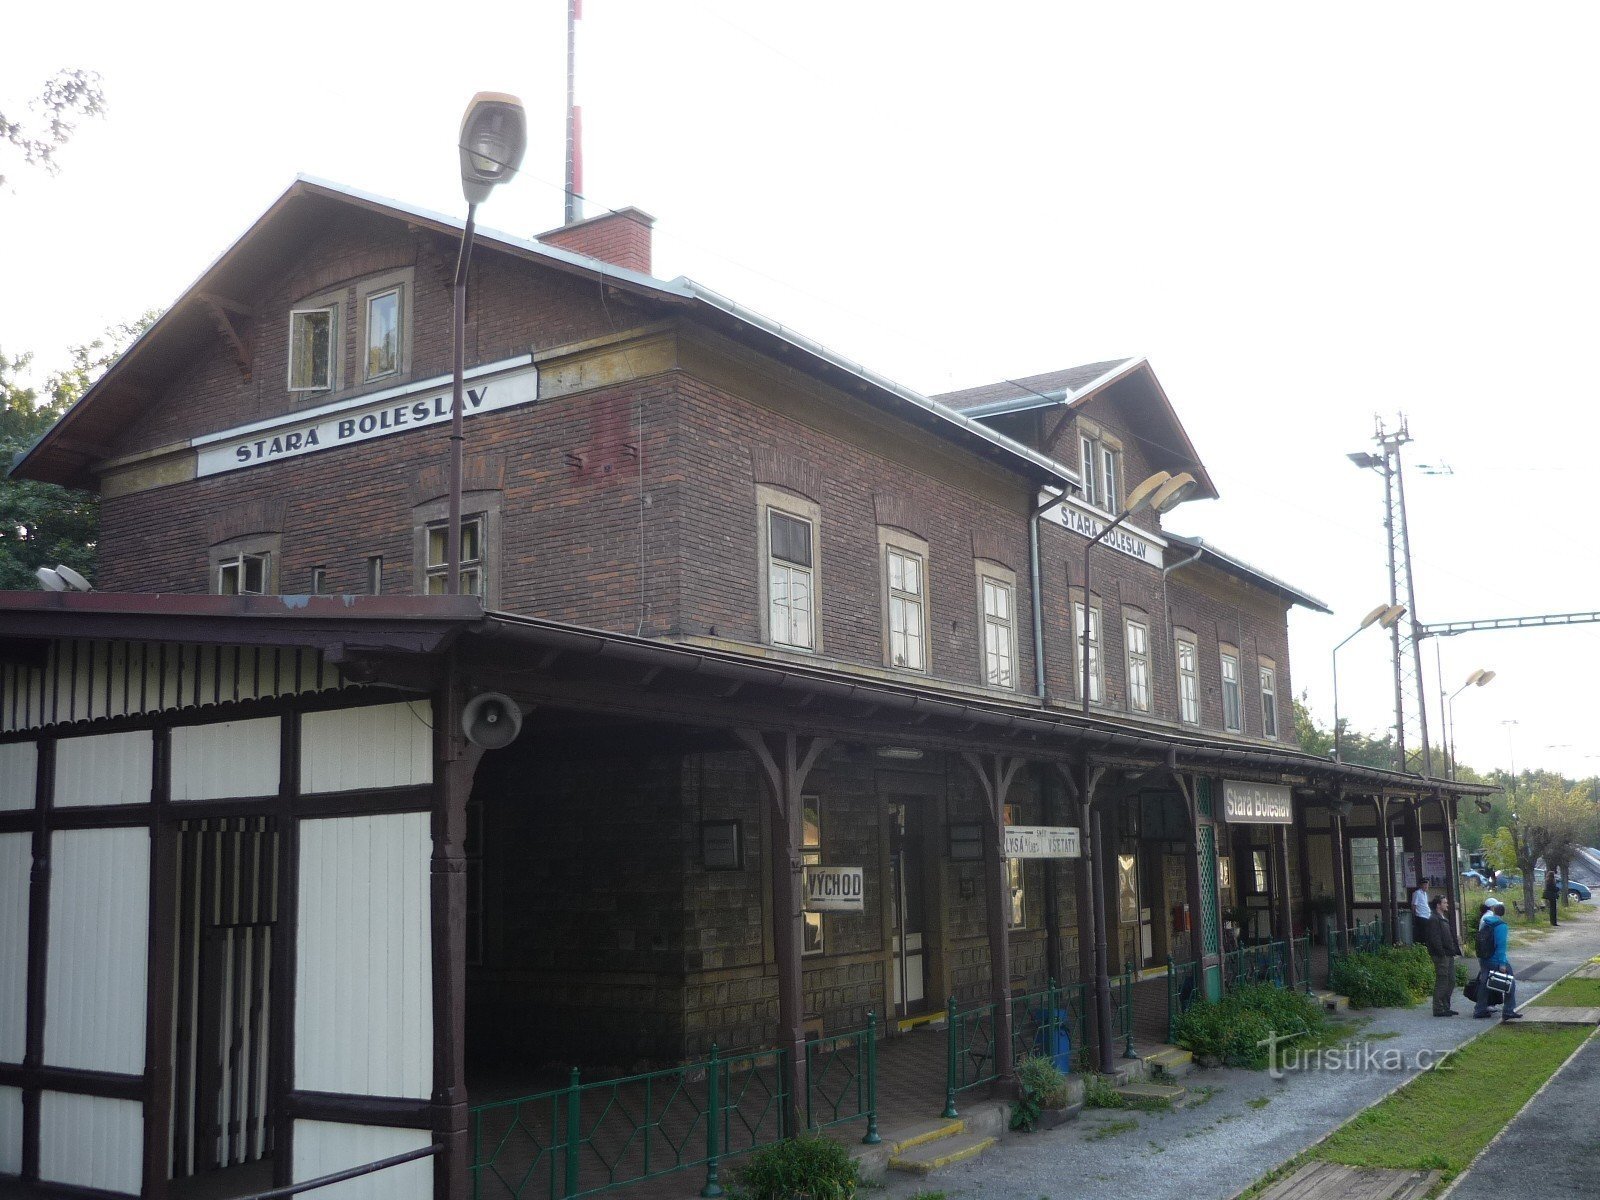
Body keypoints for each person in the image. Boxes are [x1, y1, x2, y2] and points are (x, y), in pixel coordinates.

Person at [1473, 896, 1521, 1021]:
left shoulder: (1487, 921)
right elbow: (1501, 946)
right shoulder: (1501, 926)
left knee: (1484, 983)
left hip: (1484, 957)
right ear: (1503, 913)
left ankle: (1479, 1009)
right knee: (1510, 982)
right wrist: (1502, 963)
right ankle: (1508, 1010)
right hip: (1495, 959)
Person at [1423, 894, 1462, 1016]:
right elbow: (1435, 938)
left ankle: (1446, 1006)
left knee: (1451, 980)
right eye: (1444, 903)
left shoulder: (1442, 917)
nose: (1447, 904)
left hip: (1448, 953)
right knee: (1442, 980)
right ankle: (1438, 1008)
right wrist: (1441, 953)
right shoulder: (1434, 919)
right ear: (1438, 905)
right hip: (1441, 955)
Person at [1411, 878, 1432, 944]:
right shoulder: (1417, 893)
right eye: (1424, 884)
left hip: (1427, 916)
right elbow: (1414, 905)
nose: (1426, 886)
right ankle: (1422, 947)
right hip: (1420, 916)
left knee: (1427, 933)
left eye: (1427, 884)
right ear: (1421, 885)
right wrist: (1414, 916)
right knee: (1422, 934)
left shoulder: (1425, 894)